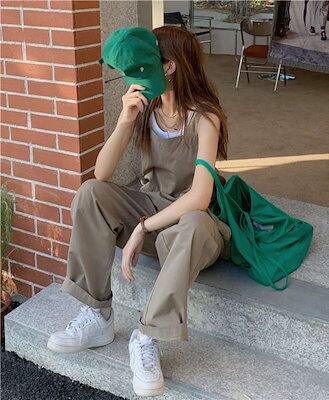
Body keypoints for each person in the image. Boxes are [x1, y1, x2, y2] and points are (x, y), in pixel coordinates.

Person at [46, 26, 231, 397]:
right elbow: (101, 174)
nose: (134, 77)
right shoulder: (146, 109)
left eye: (143, 66)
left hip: (191, 228)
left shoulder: (204, 118)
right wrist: (125, 119)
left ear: (169, 67)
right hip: (152, 210)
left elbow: (199, 198)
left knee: (195, 223)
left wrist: (142, 227)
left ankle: (147, 337)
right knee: (90, 193)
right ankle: (97, 314)